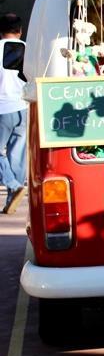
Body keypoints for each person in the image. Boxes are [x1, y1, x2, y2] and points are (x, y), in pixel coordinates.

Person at [0, 13, 27, 215]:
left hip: (2, 109)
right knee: (17, 155)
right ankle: (12, 199)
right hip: (23, 108)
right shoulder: (28, 49)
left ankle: (12, 184)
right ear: (20, 30)